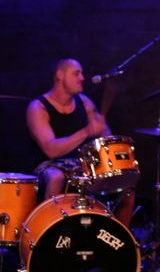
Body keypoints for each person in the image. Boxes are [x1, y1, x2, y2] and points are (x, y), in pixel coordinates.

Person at [26, 58, 135, 226]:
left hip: (80, 165)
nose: (82, 78)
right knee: (56, 177)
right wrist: (86, 132)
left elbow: (104, 135)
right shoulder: (38, 107)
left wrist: (104, 135)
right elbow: (50, 150)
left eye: (82, 73)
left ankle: (120, 237)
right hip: (47, 165)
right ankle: (46, 228)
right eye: (76, 73)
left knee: (126, 189)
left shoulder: (84, 102)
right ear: (60, 75)